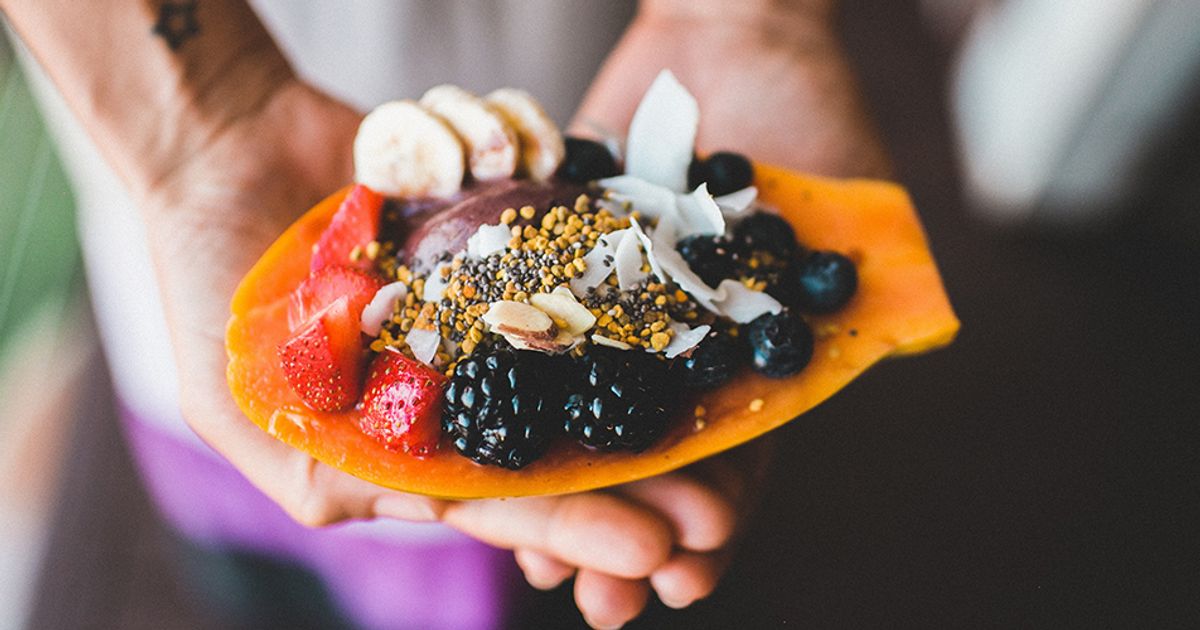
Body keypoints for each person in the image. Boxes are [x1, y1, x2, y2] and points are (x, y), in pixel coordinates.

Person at [1, 0, 888, 627]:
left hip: (577, 94)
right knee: (264, 572)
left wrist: (742, 21)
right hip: (159, 99)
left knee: (597, 576)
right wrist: (198, 129)